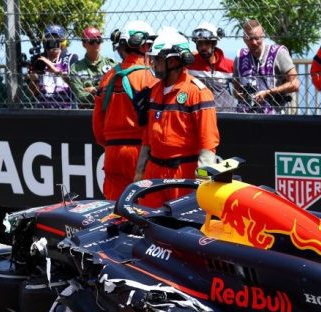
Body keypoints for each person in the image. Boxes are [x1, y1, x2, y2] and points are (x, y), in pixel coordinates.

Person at [134, 28, 219, 206]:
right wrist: (140, 173)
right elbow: (147, 137)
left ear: (172, 61)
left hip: (183, 175)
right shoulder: (154, 91)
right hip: (154, 174)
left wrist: (201, 181)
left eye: (157, 59)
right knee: (147, 224)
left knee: (180, 227)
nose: (154, 64)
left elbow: (208, 142)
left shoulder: (198, 93)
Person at [93, 20, 157, 201]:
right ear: (143, 44)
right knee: (143, 210)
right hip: (140, 154)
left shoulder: (107, 77)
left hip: (112, 153)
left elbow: (98, 129)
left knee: (114, 210)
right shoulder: (150, 77)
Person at [232, 19, 299, 114]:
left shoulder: (278, 53)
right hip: (246, 116)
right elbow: (236, 91)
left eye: (257, 38)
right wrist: (245, 95)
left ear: (263, 36)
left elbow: (295, 84)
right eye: (250, 38)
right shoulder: (240, 58)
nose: (254, 42)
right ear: (244, 39)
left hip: (274, 116)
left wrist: (269, 92)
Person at [186, 22, 237, 112]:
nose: (203, 47)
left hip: (228, 115)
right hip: (201, 113)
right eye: (200, 44)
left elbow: (238, 89)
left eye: (206, 43)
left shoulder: (230, 65)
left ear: (214, 43)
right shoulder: (190, 65)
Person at [27, 25, 78, 109]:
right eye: (49, 39)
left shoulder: (70, 58)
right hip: (42, 109)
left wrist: (54, 69)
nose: (52, 43)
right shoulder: (39, 60)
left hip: (66, 108)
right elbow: (33, 93)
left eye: (56, 40)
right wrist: (34, 79)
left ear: (62, 42)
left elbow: (74, 85)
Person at [69, 27, 115, 109]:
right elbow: (81, 96)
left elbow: (116, 90)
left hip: (109, 111)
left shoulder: (111, 64)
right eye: (92, 41)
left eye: (98, 40)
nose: (96, 44)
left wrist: (94, 90)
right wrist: (105, 92)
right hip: (86, 113)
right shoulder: (76, 68)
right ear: (84, 44)